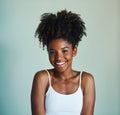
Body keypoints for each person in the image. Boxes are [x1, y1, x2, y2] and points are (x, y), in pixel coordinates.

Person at [31, 9, 96, 115]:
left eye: (64, 51)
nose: (58, 58)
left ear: (74, 51)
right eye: (52, 52)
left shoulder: (86, 80)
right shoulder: (42, 78)